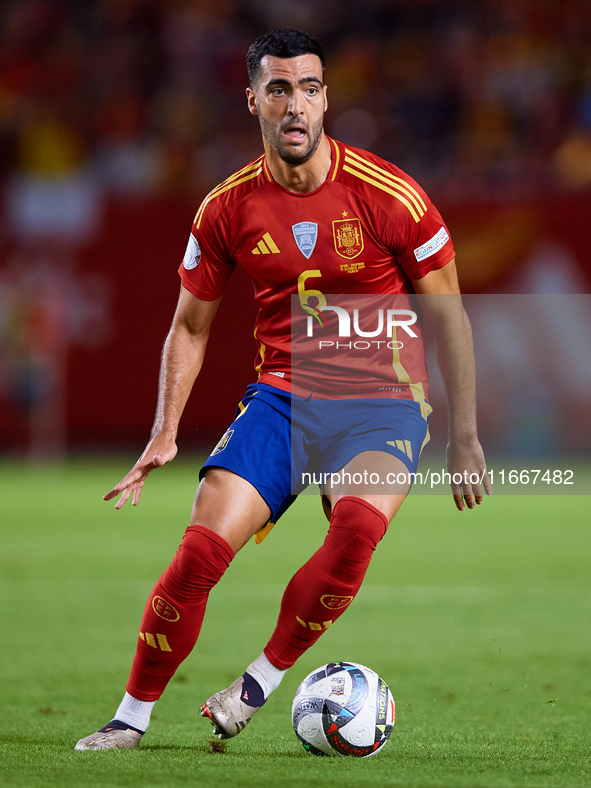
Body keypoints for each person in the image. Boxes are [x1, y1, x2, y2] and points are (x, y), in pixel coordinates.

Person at [75, 28, 490, 751]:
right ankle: (129, 718)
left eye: (307, 88)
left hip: (380, 404)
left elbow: (448, 315)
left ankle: (259, 681)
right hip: (282, 399)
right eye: (278, 89)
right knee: (199, 553)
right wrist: (164, 429)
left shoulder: (390, 195)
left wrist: (464, 435)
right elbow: (190, 327)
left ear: (325, 98)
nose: (294, 104)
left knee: (357, 528)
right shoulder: (226, 208)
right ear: (252, 101)